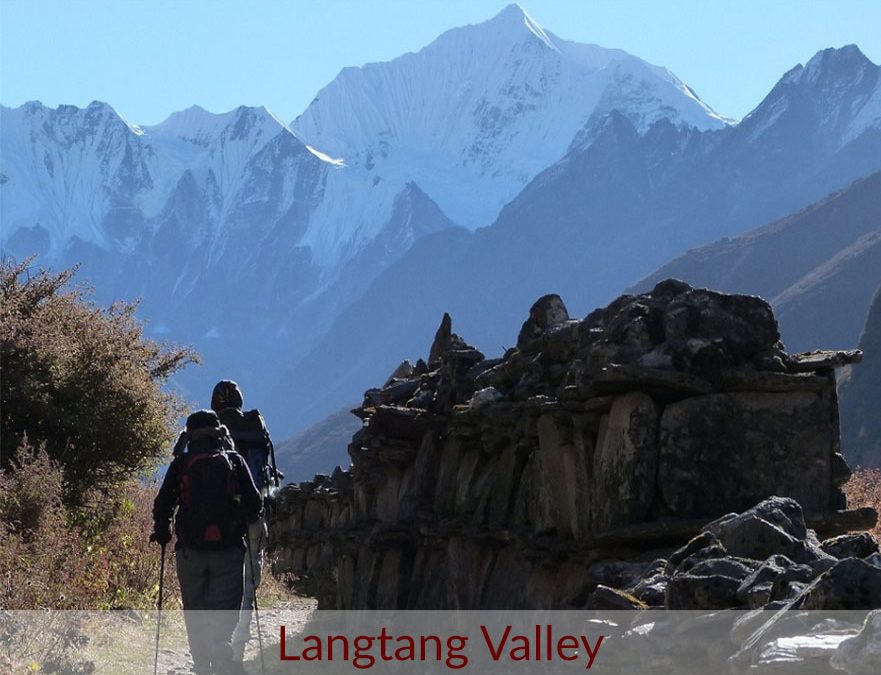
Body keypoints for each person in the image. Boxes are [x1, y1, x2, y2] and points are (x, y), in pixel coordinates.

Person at [151, 409, 262, 675]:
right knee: (225, 609)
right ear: (219, 433)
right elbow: (255, 504)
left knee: (195, 610)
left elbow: (163, 503)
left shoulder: (181, 463)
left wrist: (163, 531)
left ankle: (201, 665)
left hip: (190, 551)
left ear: (189, 435)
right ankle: (221, 649)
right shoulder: (233, 460)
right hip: (229, 550)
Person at [210, 380, 279, 662]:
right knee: (248, 585)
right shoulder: (256, 426)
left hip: (221, 519)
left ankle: (216, 644)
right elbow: (268, 472)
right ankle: (236, 651)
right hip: (254, 516)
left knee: (218, 582)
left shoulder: (210, 429)